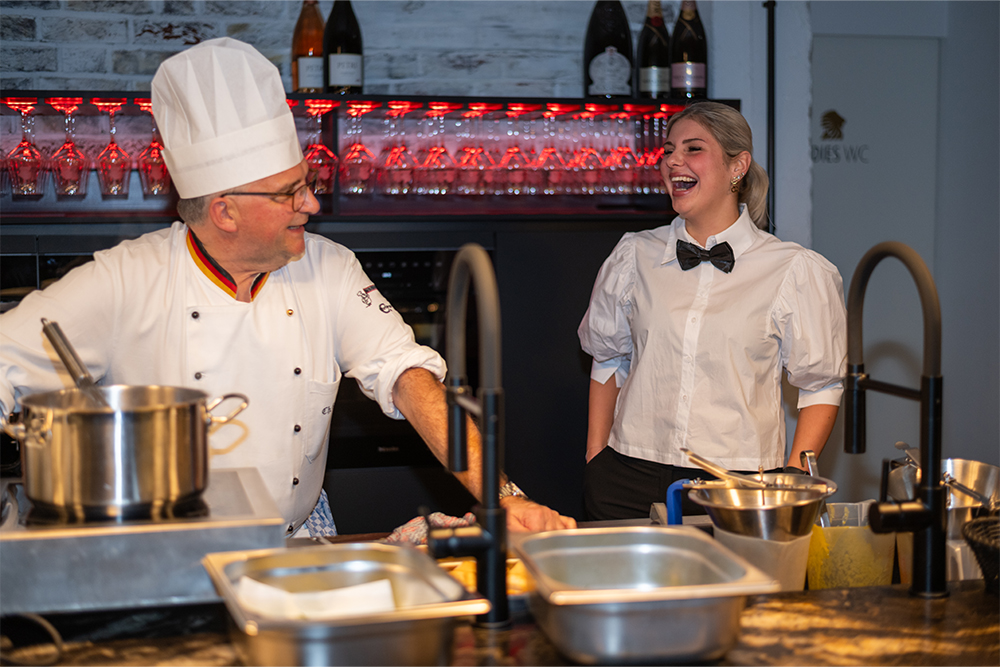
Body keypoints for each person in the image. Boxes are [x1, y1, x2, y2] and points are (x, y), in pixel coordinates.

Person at [0, 38, 574, 537]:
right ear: (224, 210)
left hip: (297, 538)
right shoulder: (124, 280)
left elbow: (408, 378)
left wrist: (505, 498)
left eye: (308, 183)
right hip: (163, 553)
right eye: (290, 193)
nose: (312, 203)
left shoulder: (328, 268)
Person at [578, 101, 846, 520]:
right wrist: (597, 457)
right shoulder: (634, 255)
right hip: (627, 475)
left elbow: (821, 385)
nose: (673, 161)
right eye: (668, 150)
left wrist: (793, 480)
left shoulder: (794, 270)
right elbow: (608, 356)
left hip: (740, 486)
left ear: (738, 166)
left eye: (693, 149)